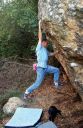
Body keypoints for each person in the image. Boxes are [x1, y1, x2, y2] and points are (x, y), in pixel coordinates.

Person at [24, 20, 60, 99]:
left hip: (46, 67)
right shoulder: (39, 47)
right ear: (42, 42)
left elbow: (50, 54)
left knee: (56, 70)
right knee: (37, 84)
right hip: (40, 68)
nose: (47, 44)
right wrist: (39, 25)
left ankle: (56, 83)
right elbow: (40, 37)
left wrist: (58, 51)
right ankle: (26, 92)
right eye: (46, 43)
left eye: (47, 43)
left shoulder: (45, 50)